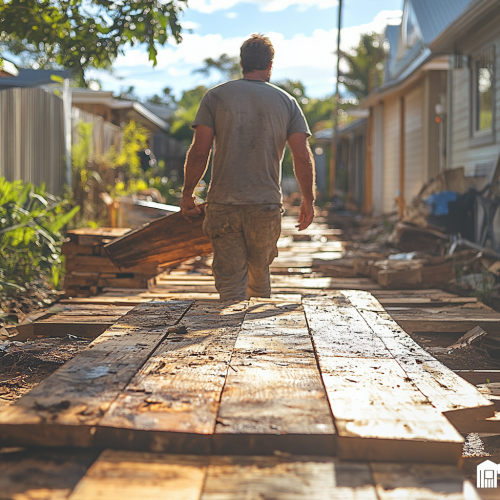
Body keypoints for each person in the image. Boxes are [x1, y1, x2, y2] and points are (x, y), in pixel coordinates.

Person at [180, 33, 315, 301]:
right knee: (260, 276)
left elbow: (199, 151)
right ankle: (256, 339)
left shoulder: (216, 97)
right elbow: (302, 155)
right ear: (270, 65)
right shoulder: (287, 102)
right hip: (264, 205)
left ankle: (230, 334)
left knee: (231, 284)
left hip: (224, 204)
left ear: (242, 63)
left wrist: (187, 194)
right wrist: (308, 200)